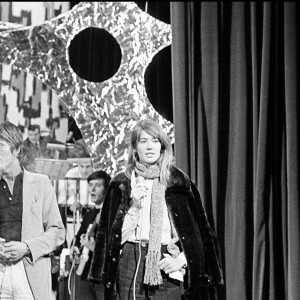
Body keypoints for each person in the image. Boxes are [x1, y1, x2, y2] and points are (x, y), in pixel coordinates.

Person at [88, 118, 224, 300]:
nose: (150, 147)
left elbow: (201, 236)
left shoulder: (180, 184)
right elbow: (111, 237)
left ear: (162, 146)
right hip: (131, 261)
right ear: (135, 148)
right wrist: (134, 206)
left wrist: (180, 261)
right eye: (144, 141)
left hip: (166, 262)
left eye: (155, 141)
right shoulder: (121, 184)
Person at [0, 121, 65, 299]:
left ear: (17, 150)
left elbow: (58, 232)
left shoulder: (40, 183)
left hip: (30, 270)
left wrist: (27, 247)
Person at [71, 170, 111, 300]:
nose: (92, 189)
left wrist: (95, 248)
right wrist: (76, 248)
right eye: (90, 185)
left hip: (101, 276)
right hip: (84, 273)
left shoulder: (111, 215)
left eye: (98, 185)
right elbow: (79, 238)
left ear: (106, 189)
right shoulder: (90, 214)